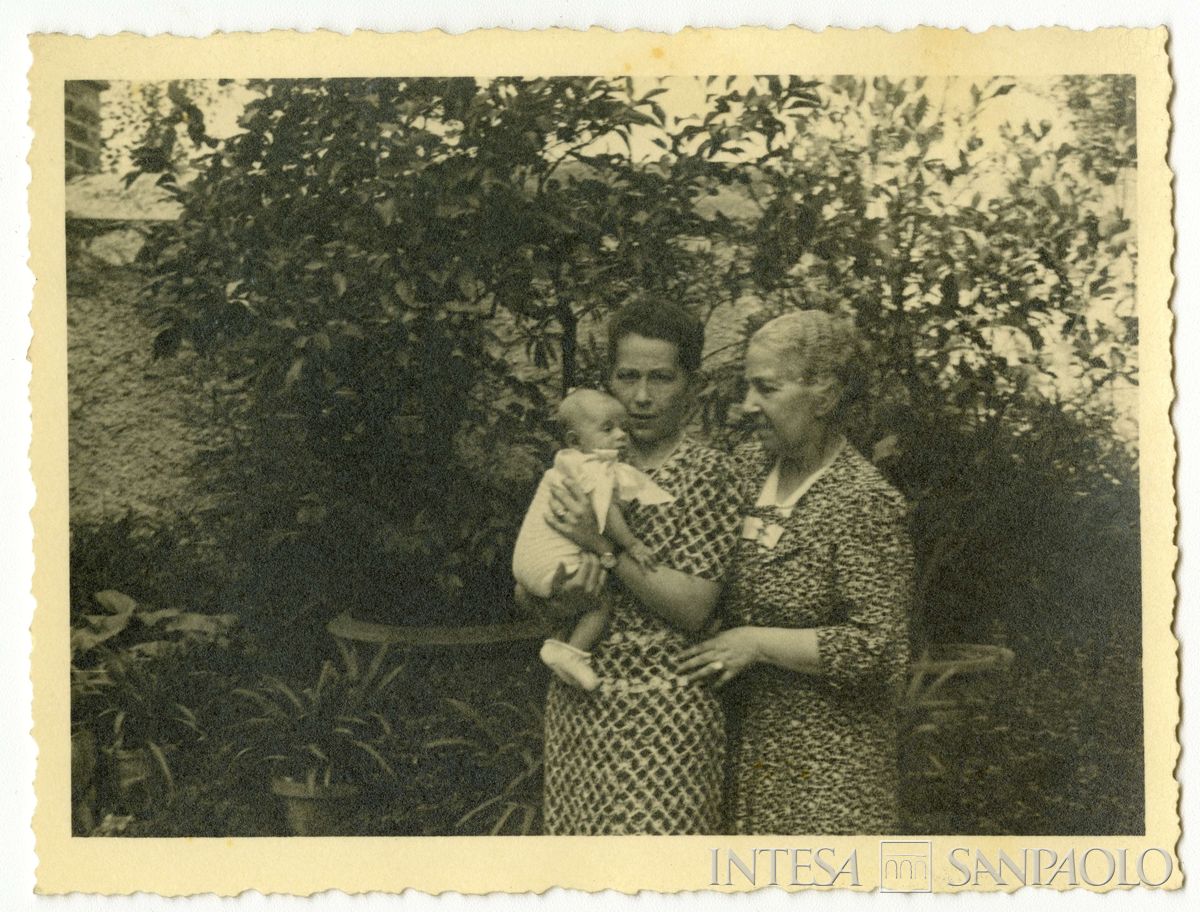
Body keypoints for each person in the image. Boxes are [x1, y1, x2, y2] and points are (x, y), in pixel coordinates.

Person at [677, 310, 915, 835]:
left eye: (767, 388)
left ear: (825, 397)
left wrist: (757, 642)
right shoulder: (745, 470)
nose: (747, 406)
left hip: (827, 773)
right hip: (739, 753)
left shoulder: (865, 501)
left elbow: (877, 648)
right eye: (747, 387)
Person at [528, 300, 742, 835]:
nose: (642, 396)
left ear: (692, 385)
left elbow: (694, 607)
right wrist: (558, 593)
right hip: (579, 708)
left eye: (661, 378)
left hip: (667, 717)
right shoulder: (580, 465)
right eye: (627, 377)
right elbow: (528, 590)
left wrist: (603, 549)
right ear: (609, 382)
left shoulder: (710, 475)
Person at [512, 388, 670, 691]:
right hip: (551, 564)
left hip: (528, 565)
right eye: (608, 429)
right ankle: (572, 653)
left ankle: (556, 643)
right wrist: (632, 544)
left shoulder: (566, 465)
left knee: (573, 603)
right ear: (575, 440)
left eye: (623, 427)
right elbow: (608, 514)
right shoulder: (592, 469)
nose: (621, 435)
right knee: (600, 601)